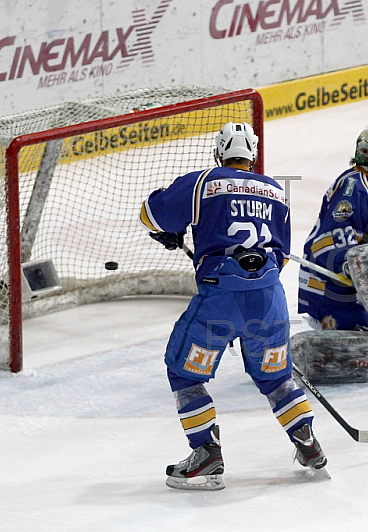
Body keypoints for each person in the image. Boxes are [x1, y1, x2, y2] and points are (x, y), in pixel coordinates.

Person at [140, 122, 327, 490]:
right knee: (276, 378)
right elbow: (281, 254)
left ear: (219, 152)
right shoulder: (276, 190)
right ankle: (307, 442)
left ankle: (206, 452)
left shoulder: (204, 181)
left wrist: (172, 231)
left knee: (185, 374)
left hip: (219, 300)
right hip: (269, 298)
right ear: (252, 154)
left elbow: (150, 213)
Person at [295, 123, 368, 382]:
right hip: (338, 289)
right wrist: (350, 266)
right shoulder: (353, 188)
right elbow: (329, 240)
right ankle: (327, 319)